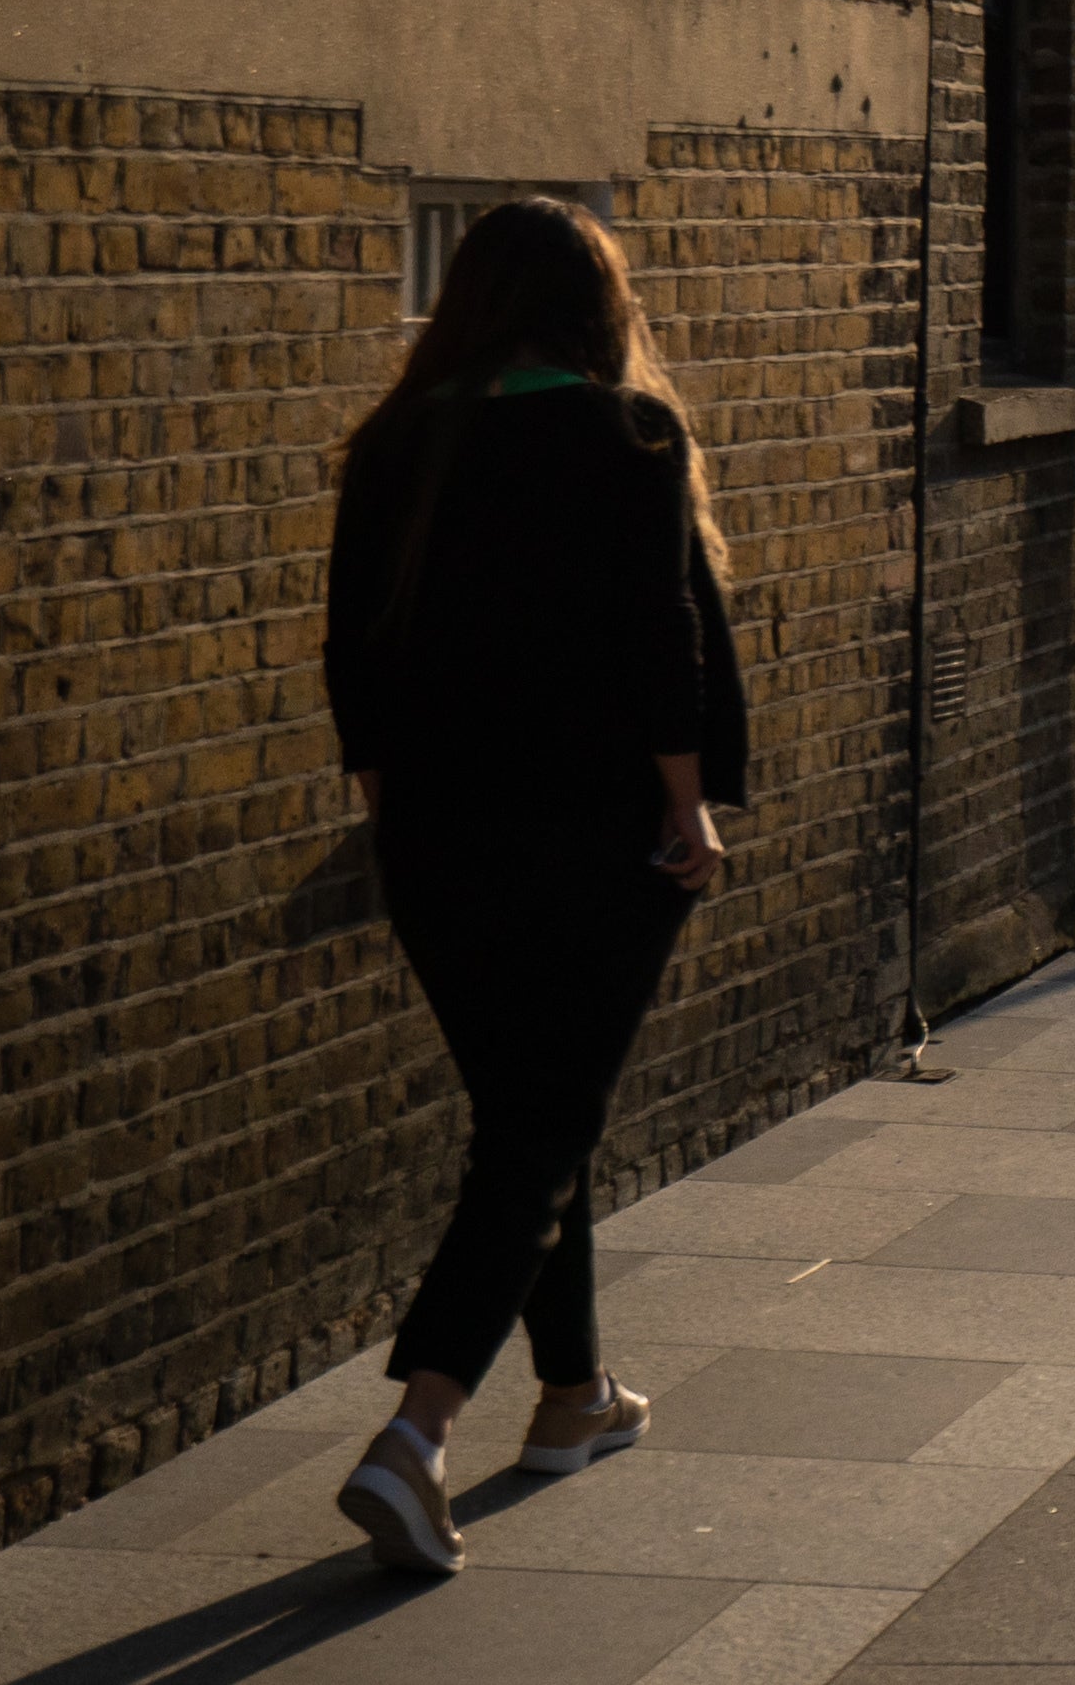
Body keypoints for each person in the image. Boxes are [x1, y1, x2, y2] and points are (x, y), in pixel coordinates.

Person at [319, 198, 745, 1578]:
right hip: (598, 830)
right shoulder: (623, 434)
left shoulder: (401, 441)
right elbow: (657, 633)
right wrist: (684, 799)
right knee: (540, 1128)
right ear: (596, 305)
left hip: (438, 836)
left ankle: (572, 1399)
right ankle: (416, 1432)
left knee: (530, 1118)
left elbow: (351, 650)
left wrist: (395, 809)